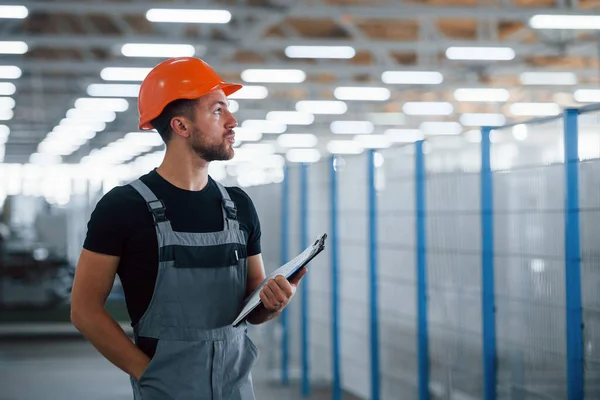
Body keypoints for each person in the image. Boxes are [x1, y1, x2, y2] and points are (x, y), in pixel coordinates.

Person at [70, 57, 306, 400]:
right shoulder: (123, 208)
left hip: (236, 389)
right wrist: (146, 372)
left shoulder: (239, 206)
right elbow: (84, 310)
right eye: (217, 111)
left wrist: (273, 303)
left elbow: (252, 308)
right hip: (166, 391)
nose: (232, 121)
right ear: (181, 126)